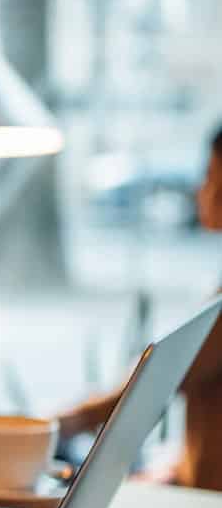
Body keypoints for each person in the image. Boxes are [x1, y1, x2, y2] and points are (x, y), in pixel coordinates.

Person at [57, 123, 222, 487]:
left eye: (211, 176)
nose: (201, 191)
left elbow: (153, 384)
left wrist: (46, 427)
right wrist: (170, 473)